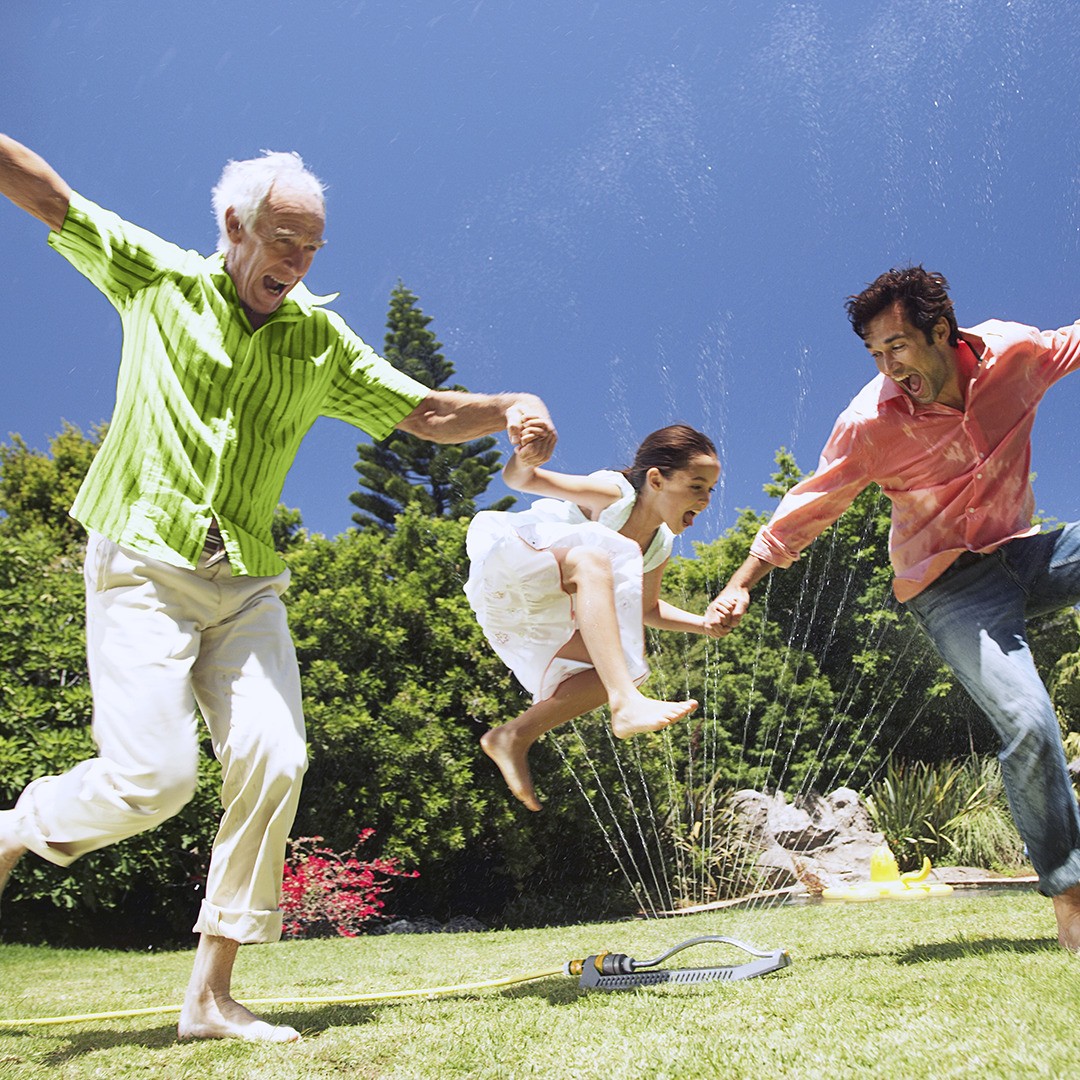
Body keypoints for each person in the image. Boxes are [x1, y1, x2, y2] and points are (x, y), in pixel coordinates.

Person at [0, 132, 557, 1041]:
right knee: (153, 778)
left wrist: (506, 407)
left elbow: (418, 409)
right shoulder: (160, 280)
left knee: (275, 756)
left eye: (311, 248)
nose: (296, 262)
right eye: (283, 240)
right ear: (234, 226)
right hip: (142, 558)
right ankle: (17, 828)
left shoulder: (318, 342)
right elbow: (49, 196)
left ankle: (210, 996)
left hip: (247, 581)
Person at [705, 265, 1080, 953]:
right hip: (949, 588)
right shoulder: (870, 422)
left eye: (897, 347)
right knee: (1028, 721)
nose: (888, 366)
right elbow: (808, 504)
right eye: (875, 354)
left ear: (943, 330)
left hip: (1021, 552)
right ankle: (1072, 898)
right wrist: (743, 580)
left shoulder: (1016, 354)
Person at [466, 423, 722, 811]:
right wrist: (525, 457)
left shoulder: (659, 545)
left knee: (626, 665)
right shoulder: (613, 495)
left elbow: (648, 609)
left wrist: (702, 623)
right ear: (656, 479)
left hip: (542, 611)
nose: (705, 500)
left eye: (710, 490)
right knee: (592, 558)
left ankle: (514, 736)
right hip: (513, 571)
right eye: (696, 486)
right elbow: (520, 478)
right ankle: (627, 702)